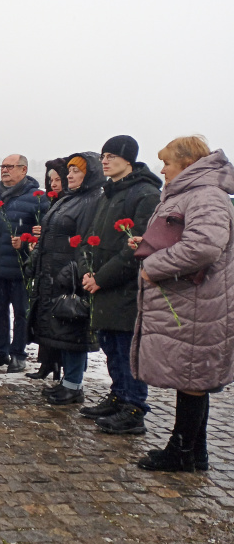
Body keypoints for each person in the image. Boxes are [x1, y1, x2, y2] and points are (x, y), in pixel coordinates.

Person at [130, 137, 234, 472]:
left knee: (192, 376)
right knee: (191, 377)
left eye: (168, 163)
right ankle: (194, 451)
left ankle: (181, 451)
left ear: (188, 164)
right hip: (190, 297)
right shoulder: (192, 193)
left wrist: (153, 267)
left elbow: (204, 246)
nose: (162, 169)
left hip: (198, 301)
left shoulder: (205, 195)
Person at [79, 136, 162, 433]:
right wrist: (89, 272)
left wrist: (102, 278)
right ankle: (118, 396)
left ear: (129, 159)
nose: (105, 160)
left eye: (112, 155)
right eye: (103, 155)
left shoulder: (146, 193)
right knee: (111, 345)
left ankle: (134, 407)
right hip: (102, 283)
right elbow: (93, 237)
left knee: (127, 348)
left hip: (125, 286)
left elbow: (137, 247)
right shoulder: (109, 193)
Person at [28, 153, 106, 406]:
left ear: (89, 174)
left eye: (76, 171)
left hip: (69, 277)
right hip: (52, 274)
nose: (69, 175)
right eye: (69, 170)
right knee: (61, 329)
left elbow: (86, 240)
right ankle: (67, 382)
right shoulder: (71, 199)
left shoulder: (92, 200)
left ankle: (73, 384)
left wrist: (73, 270)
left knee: (72, 329)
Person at [0, 154, 49, 373]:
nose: (5, 170)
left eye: (10, 166)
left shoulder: (37, 197)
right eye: (3, 166)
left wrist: (28, 243)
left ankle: (18, 354)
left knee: (21, 313)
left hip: (20, 267)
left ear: (23, 170)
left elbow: (45, 232)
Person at [25, 159, 68, 379]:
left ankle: (60, 366)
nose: (53, 184)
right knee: (45, 318)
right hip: (46, 268)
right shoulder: (52, 203)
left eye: (58, 179)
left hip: (62, 269)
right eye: (51, 180)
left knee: (60, 321)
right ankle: (47, 362)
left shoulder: (70, 203)